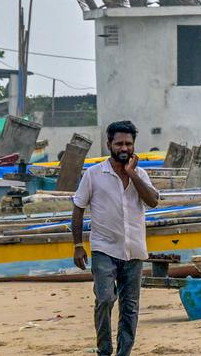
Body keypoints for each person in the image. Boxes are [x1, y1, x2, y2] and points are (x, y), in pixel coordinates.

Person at [71, 120, 160, 356]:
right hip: (104, 249)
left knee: (130, 308)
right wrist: (78, 245)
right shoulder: (94, 174)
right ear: (109, 144)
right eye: (119, 143)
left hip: (134, 251)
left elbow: (152, 201)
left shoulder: (140, 174)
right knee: (105, 299)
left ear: (133, 146)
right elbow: (78, 207)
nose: (124, 148)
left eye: (128, 144)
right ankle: (104, 349)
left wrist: (132, 174)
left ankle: (124, 353)